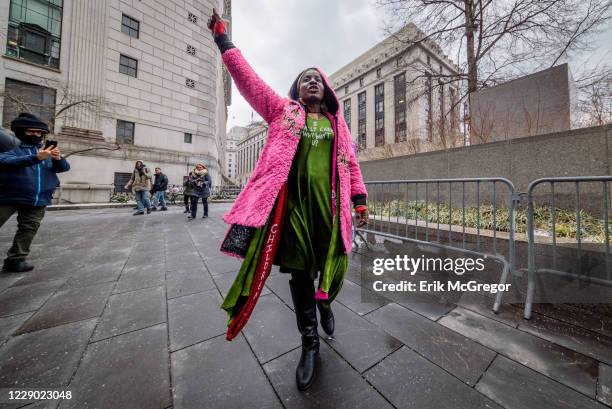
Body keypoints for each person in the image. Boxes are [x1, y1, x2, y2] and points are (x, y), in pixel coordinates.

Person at [208, 10, 368, 391]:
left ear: (326, 90)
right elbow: (249, 81)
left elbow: (351, 164)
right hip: (293, 212)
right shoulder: (283, 113)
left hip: (331, 214)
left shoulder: (336, 125)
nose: (311, 82)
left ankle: (326, 302)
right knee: (299, 275)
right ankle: (309, 342)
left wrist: (359, 201)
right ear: (297, 91)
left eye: (317, 79)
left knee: (334, 269)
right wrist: (223, 40)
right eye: (304, 80)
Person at [0, 113, 70, 273]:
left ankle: (16, 259)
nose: (36, 135)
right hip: (7, 195)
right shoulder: (12, 146)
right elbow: (4, 161)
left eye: (39, 132)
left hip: (38, 197)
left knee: (29, 228)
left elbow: (64, 168)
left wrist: (59, 159)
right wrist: (35, 158)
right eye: (31, 131)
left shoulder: (45, 150)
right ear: (21, 130)